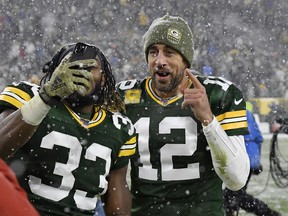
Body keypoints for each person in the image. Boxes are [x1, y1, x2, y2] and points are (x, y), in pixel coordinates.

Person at [116, 15, 250, 216]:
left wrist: (208, 119)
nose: (159, 61)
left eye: (169, 52)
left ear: (186, 59)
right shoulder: (125, 96)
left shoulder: (218, 94)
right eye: (153, 52)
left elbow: (236, 179)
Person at [0, 42, 137, 216]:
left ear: (103, 78)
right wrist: (46, 97)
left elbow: (118, 209)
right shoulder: (29, 96)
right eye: (72, 65)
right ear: (57, 70)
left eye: (89, 67)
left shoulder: (118, 127)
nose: (81, 72)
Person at [224, 109, 281, 216]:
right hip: (251, 159)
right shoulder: (248, 113)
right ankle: (268, 213)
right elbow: (259, 138)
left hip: (240, 161)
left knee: (233, 196)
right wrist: (255, 161)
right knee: (233, 195)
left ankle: (268, 213)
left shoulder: (228, 113)